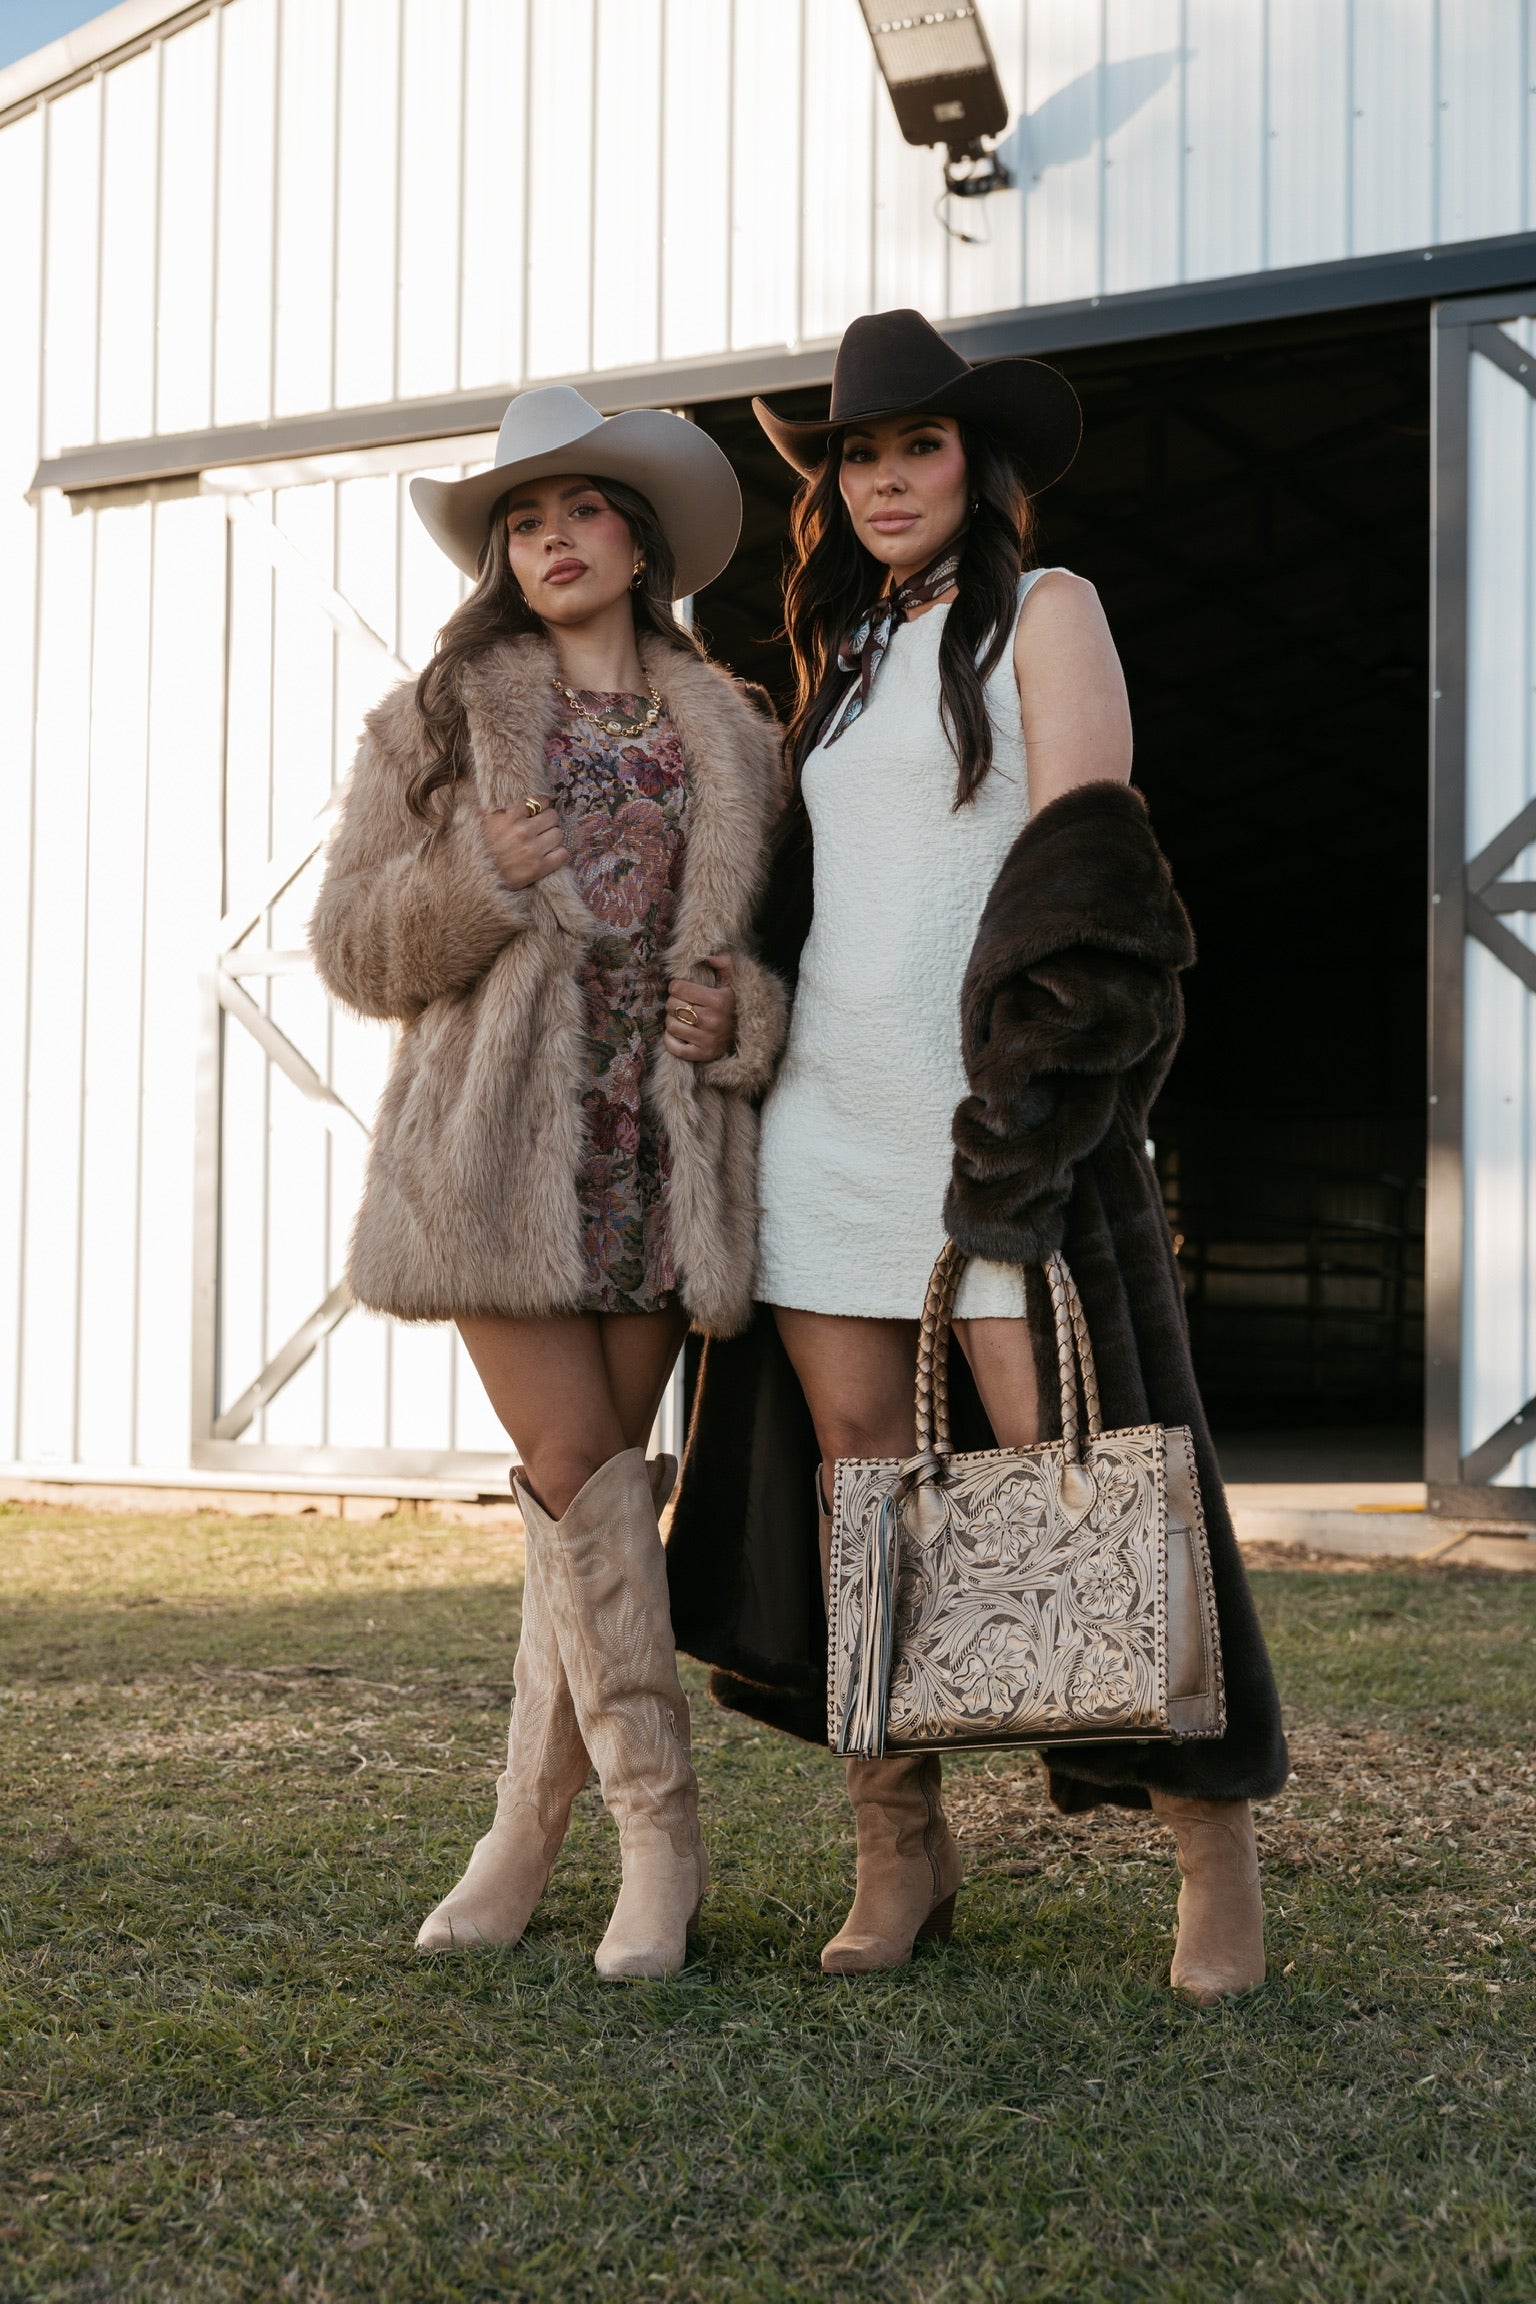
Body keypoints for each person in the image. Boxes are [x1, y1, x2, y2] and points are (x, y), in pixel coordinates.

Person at [666, 309, 1288, 2000]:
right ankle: (901, 1851)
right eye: (860, 456)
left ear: (977, 463)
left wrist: (1039, 1112)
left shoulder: (1049, 608)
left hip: (995, 1131)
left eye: (917, 447)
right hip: (828, 1131)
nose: (886, 479)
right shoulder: (851, 654)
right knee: (863, 1490)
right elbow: (820, 905)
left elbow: (1093, 867)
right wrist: (737, 1008)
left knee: (1083, 1472)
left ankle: (1209, 1853)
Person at [309, 386, 786, 1980]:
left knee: (590, 1512)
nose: (553, 539)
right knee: (579, 1465)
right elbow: (353, 951)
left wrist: (742, 1015)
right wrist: (476, 877)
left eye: (581, 510)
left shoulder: (738, 734)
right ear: (504, 558)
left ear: (639, 543)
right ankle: (662, 1834)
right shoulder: (434, 721)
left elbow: (779, 953)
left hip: (659, 1158)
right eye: (524, 521)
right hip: (495, 1158)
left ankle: (524, 1826)